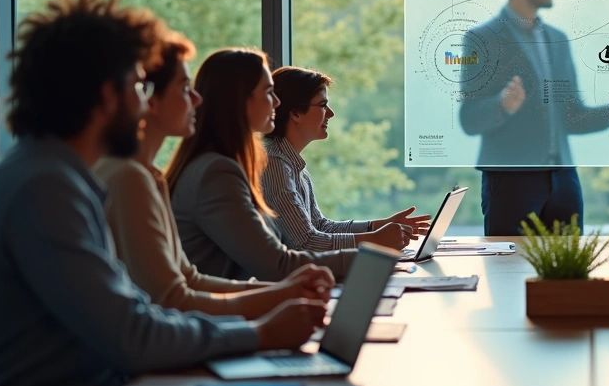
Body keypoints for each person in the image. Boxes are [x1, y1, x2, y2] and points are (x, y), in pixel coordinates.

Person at [0, 0, 325, 386]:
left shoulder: (53, 174)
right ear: (106, 96)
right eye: (137, 86)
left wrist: (269, 310)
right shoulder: (46, 188)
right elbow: (134, 333)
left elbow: (142, 312)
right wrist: (261, 333)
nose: (143, 101)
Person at [94, 31, 334, 318]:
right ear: (150, 101)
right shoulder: (149, 176)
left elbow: (189, 280)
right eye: (185, 87)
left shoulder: (151, 175)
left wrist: (283, 294)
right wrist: (263, 327)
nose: (196, 99)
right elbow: (171, 298)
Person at [459, 0, 609, 235]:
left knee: (569, 275)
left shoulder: (557, 40)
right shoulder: (481, 39)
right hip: (511, 181)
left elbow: (572, 117)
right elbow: (469, 118)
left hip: (564, 181)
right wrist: (503, 105)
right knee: (508, 273)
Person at [167, 49, 388, 281]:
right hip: (225, 314)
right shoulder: (219, 172)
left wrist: (374, 236)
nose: (277, 102)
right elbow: (278, 264)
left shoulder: (227, 165)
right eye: (269, 92)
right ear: (240, 99)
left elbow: (302, 238)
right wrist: (374, 252)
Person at [262, 66, 430, 251]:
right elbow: (306, 243)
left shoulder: (291, 163)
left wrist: (380, 226)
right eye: (323, 105)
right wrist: (374, 239)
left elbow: (320, 226)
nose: (331, 114)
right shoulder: (276, 164)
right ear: (295, 114)